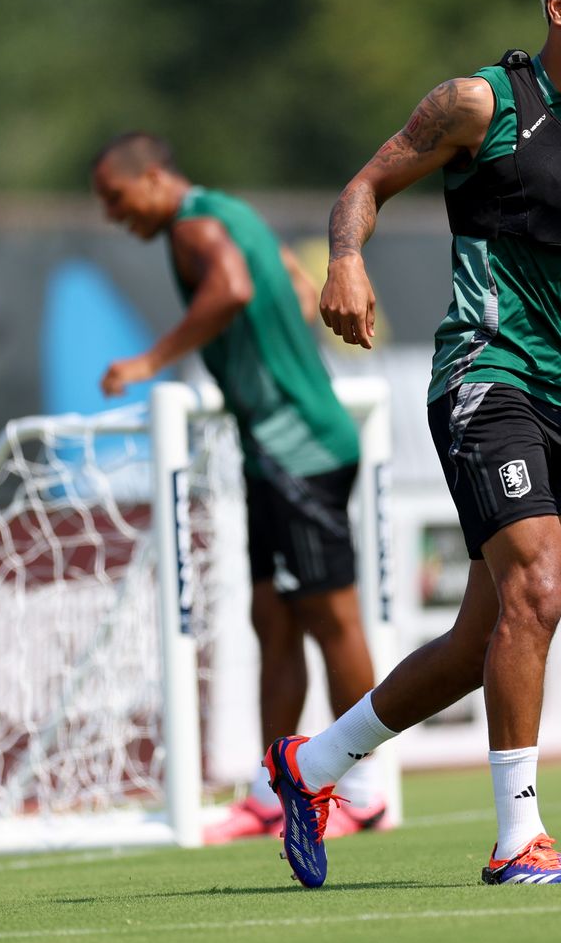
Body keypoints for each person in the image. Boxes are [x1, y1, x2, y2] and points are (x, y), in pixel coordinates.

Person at [263, 0, 561, 889]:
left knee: (479, 636)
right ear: (560, 6)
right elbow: (362, 187)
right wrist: (348, 261)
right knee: (540, 587)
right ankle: (518, 839)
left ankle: (311, 764)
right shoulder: (478, 104)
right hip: (486, 374)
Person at [89, 132, 390, 841]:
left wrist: (151, 360)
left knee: (332, 620)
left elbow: (235, 287)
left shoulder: (195, 227)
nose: (112, 213)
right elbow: (286, 274)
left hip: (300, 446)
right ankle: (270, 788)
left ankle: (363, 790)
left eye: (116, 196)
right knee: (273, 619)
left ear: (156, 177)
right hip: (272, 449)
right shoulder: (231, 210)